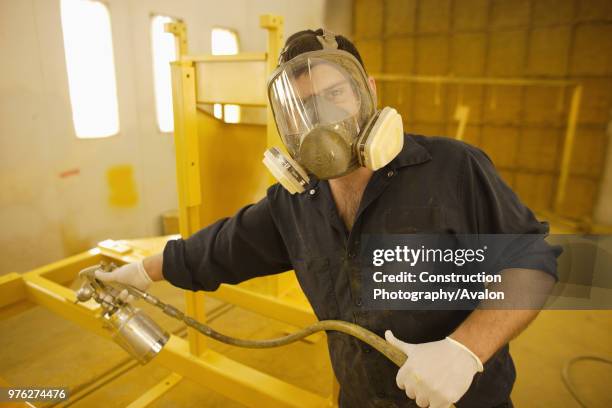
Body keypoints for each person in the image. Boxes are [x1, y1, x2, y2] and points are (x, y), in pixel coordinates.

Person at [97, 29, 559, 408]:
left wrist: (466, 351)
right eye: (302, 108)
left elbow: (533, 260)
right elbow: (216, 250)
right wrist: (139, 272)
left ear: (368, 92)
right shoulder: (294, 203)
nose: (321, 120)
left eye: (335, 94)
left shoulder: (453, 169)